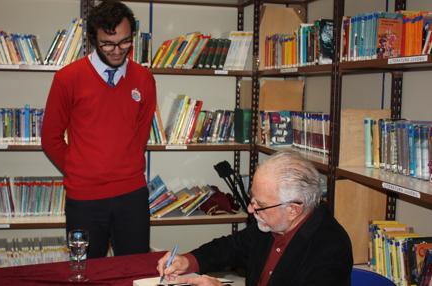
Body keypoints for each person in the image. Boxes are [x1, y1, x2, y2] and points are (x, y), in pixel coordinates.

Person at [42, 0, 156, 258]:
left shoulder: (144, 79)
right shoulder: (67, 79)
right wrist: (80, 169)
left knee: (135, 270)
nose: (117, 51)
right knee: (86, 272)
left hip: (132, 196)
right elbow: (50, 138)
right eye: (108, 43)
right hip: (84, 199)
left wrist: (124, 165)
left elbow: (140, 134)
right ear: (93, 39)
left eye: (125, 42)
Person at [157, 151, 353, 286]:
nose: (251, 209)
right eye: (253, 199)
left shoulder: (330, 248)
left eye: (261, 204)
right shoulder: (273, 223)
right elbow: (229, 247)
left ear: (293, 209)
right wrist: (188, 261)